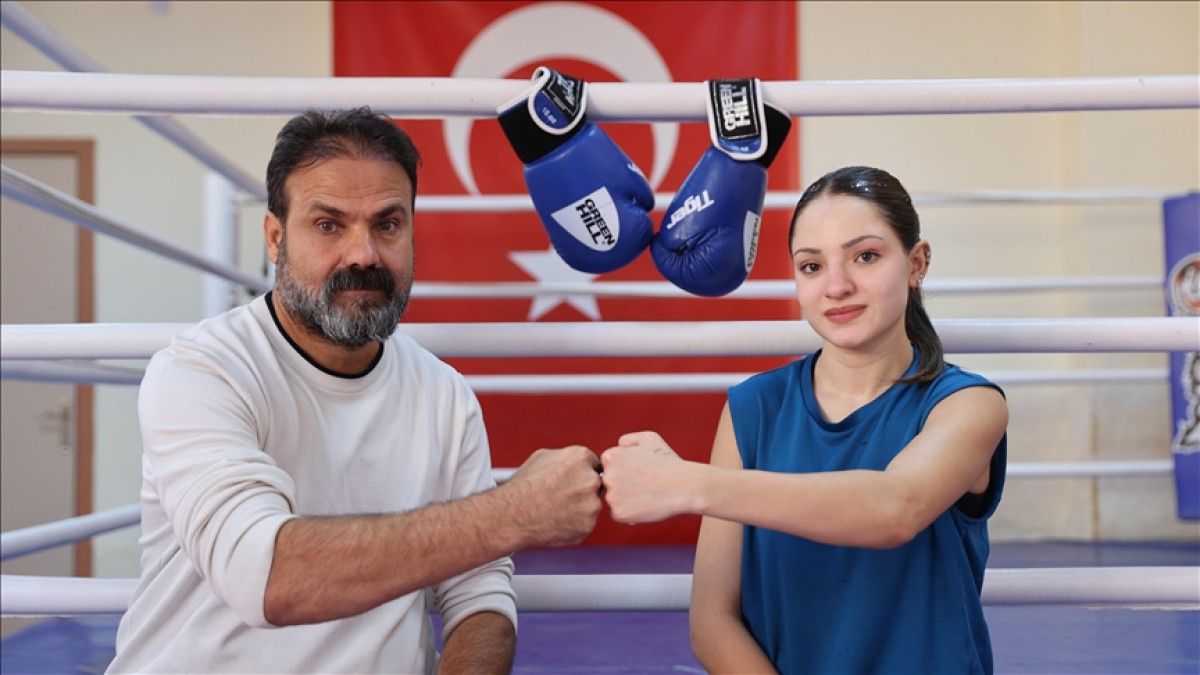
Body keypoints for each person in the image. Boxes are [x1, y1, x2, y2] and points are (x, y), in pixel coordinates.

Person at [108, 108, 604, 674]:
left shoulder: (443, 393)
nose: (364, 254)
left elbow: (478, 594)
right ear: (275, 237)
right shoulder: (202, 371)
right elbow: (265, 576)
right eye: (329, 225)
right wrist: (517, 510)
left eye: (387, 224)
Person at [600, 166, 1009, 674]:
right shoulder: (755, 407)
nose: (837, 286)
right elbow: (713, 619)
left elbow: (895, 508)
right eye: (812, 266)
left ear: (916, 263)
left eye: (865, 256)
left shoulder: (967, 403)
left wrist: (685, 483)